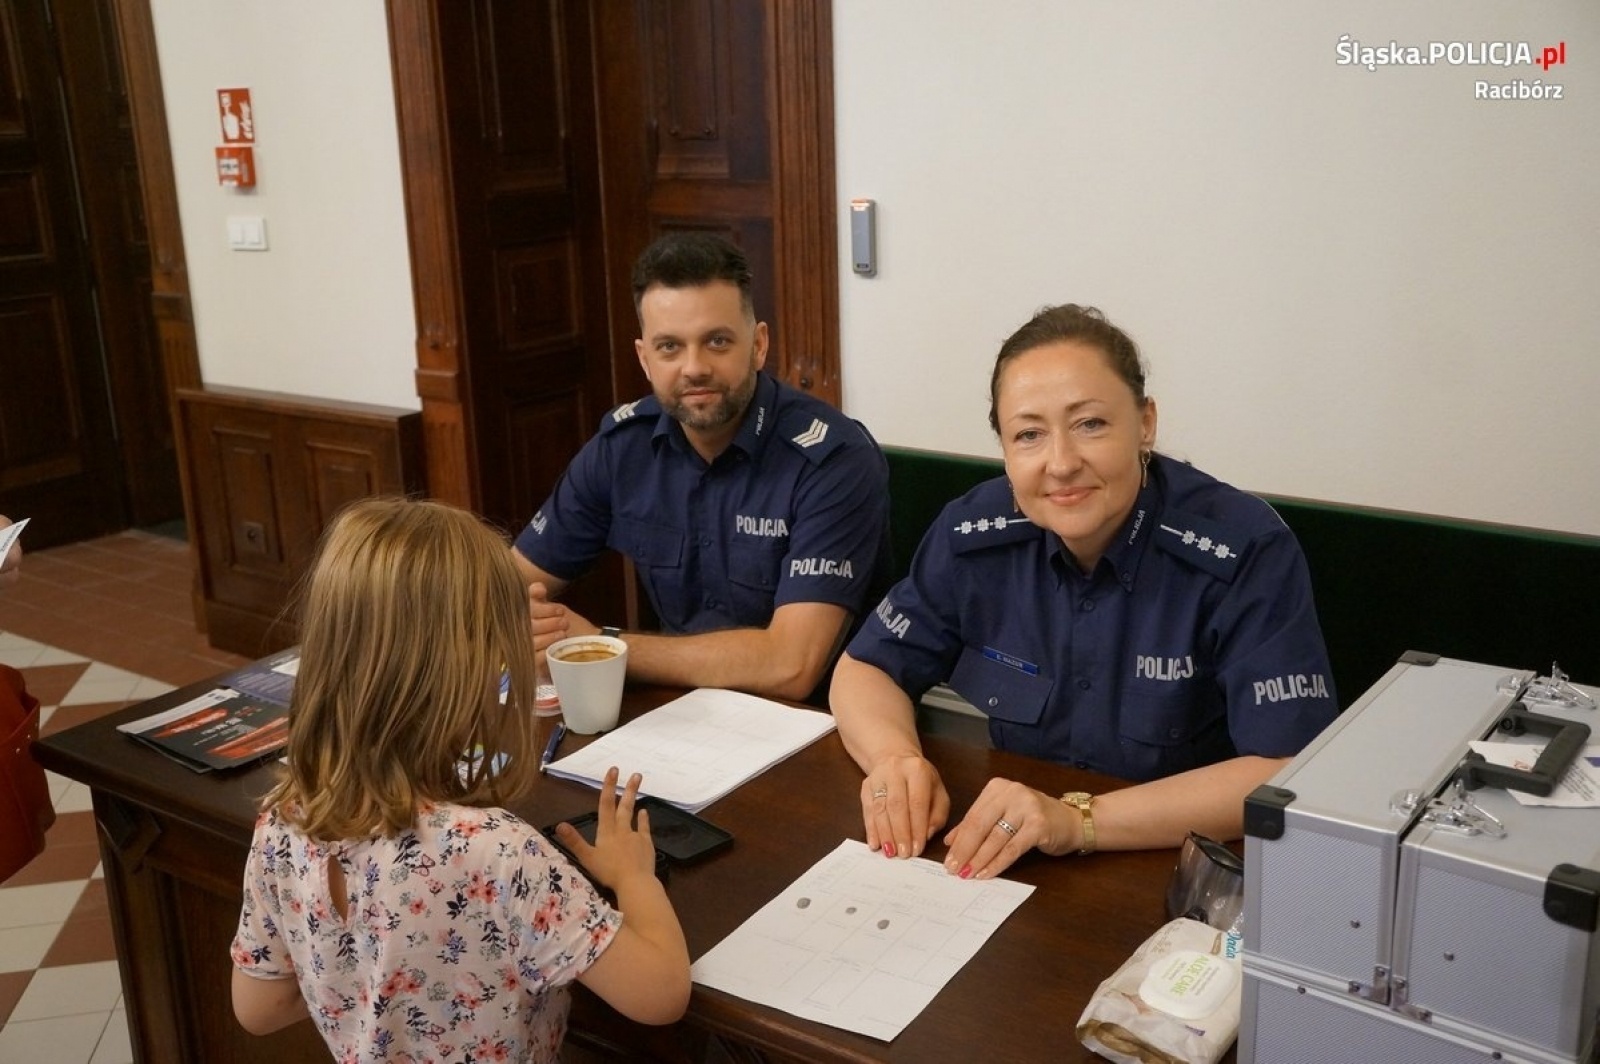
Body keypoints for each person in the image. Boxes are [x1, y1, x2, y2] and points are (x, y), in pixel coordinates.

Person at [831, 304, 1338, 880]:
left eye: (1090, 424)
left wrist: (1080, 821)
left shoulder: (1245, 549)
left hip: (1185, 867)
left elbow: (1284, 773)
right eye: (1028, 434)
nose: (1061, 463)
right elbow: (867, 667)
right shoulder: (972, 533)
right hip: (1011, 854)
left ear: (1145, 423)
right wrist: (894, 758)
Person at [230, 498, 690, 1060]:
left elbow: (258, 1009)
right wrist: (635, 876)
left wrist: (366, 971)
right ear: (468, 664)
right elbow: (662, 994)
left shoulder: (283, 819)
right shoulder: (497, 852)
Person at [513, 233, 892, 703]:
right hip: (675, 711)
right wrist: (522, 620)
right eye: (670, 347)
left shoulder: (832, 459)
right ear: (644, 359)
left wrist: (604, 647)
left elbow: (791, 666)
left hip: (813, 727)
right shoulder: (622, 447)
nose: (694, 367)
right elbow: (510, 584)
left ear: (758, 345)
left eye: (716, 341)